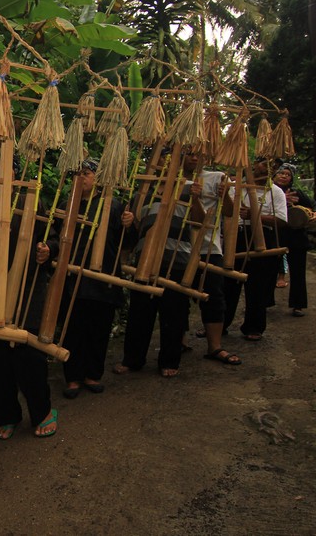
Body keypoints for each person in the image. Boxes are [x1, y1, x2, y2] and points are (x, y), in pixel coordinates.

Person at [0, 154, 59, 440]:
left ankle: (42, 411)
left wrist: (48, 249)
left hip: (27, 291)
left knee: (29, 359)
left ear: (16, 173)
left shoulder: (31, 201)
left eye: (5, 169)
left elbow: (53, 236)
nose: (0, 174)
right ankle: (5, 414)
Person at [115, 145, 199, 378]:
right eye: (164, 159)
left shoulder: (190, 188)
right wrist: (128, 223)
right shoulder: (144, 192)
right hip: (145, 260)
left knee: (174, 315)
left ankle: (169, 360)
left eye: (173, 159)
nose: (167, 163)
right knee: (140, 314)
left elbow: (200, 221)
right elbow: (132, 234)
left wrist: (198, 200)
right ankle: (133, 359)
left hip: (177, 259)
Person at [62, 159, 133, 396]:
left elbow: (129, 242)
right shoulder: (67, 205)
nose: (82, 178)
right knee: (73, 329)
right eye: (79, 173)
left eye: (87, 173)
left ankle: (92, 374)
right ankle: (72, 377)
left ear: (98, 178)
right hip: (74, 278)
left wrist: (129, 225)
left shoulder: (113, 206)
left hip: (105, 278)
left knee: (98, 329)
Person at [183, 151, 241, 365]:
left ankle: (214, 346)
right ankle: (178, 340)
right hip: (177, 246)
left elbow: (229, 212)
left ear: (206, 158)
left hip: (210, 247)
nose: (194, 158)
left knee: (214, 295)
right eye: (189, 153)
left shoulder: (217, 177)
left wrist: (224, 194)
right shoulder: (170, 177)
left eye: (198, 154)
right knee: (178, 297)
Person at [223, 157, 288, 341]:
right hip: (237, 234)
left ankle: (254, 326)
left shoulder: (275, 192)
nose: (269, 167)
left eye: (274, 165)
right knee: (229, 283)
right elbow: (226, 210)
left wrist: (254, 215)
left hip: (263, 238)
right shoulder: (237, 187)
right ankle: (221, 324)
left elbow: (282, 220)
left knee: (258, 285)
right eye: (264, 163)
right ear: (253, 164)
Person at [272, 163, 316, 317]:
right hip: (274, 235)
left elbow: (315, 205)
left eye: (287, 174)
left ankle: (298, 305)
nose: (284, 176)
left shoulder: (297, 193)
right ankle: (264, 301)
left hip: (296, 236)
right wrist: (279, 199)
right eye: (281, 173)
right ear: (274, 176)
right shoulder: (268, 192)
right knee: (268, 269)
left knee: (298, 272)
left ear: (291, 178)